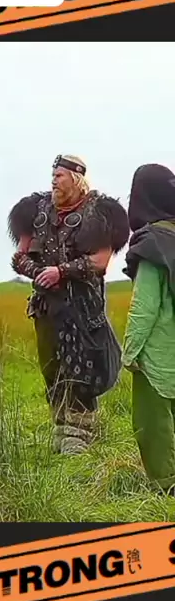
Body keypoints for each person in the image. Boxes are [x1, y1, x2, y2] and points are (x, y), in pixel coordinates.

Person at [9, 154, 129, 455]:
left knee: (82, 370)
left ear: (76, 179)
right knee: (52, 368)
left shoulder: (99, 212)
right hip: (46, 306)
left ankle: (80, 434)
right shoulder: (36, 210)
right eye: (53, 175)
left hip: (83, 308)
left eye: (60, 175)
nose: (54, 181)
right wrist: (40, 273)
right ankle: (61, 429)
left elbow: (100, 262)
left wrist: (61, 272)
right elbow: (20, 257)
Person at [122, 163, 175, 493]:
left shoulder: (153, 242)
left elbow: (145, 306)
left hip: (156, 352)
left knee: (152, 423)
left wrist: (130, 352)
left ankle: (165, 485)